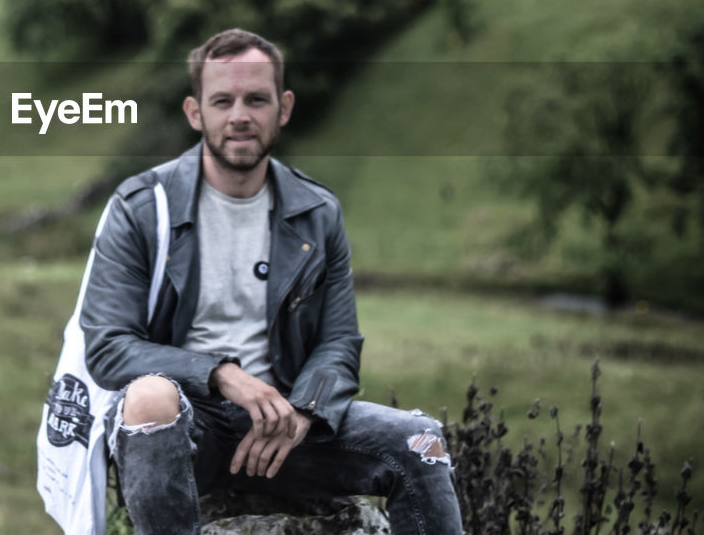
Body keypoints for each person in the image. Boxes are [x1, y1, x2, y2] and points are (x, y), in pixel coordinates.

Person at [79, 28, 464, 535]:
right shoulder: (140, 207)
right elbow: (109, 347)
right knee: (151, 396)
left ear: (283, 108)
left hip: (285, 426)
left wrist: (305, 410)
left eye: (256, 99)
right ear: (196, 112)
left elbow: (339, 341)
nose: (240, 115)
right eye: (223, 100)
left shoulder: (317, 212)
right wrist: (220, 374)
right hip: (184, 430)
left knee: (423, 442)